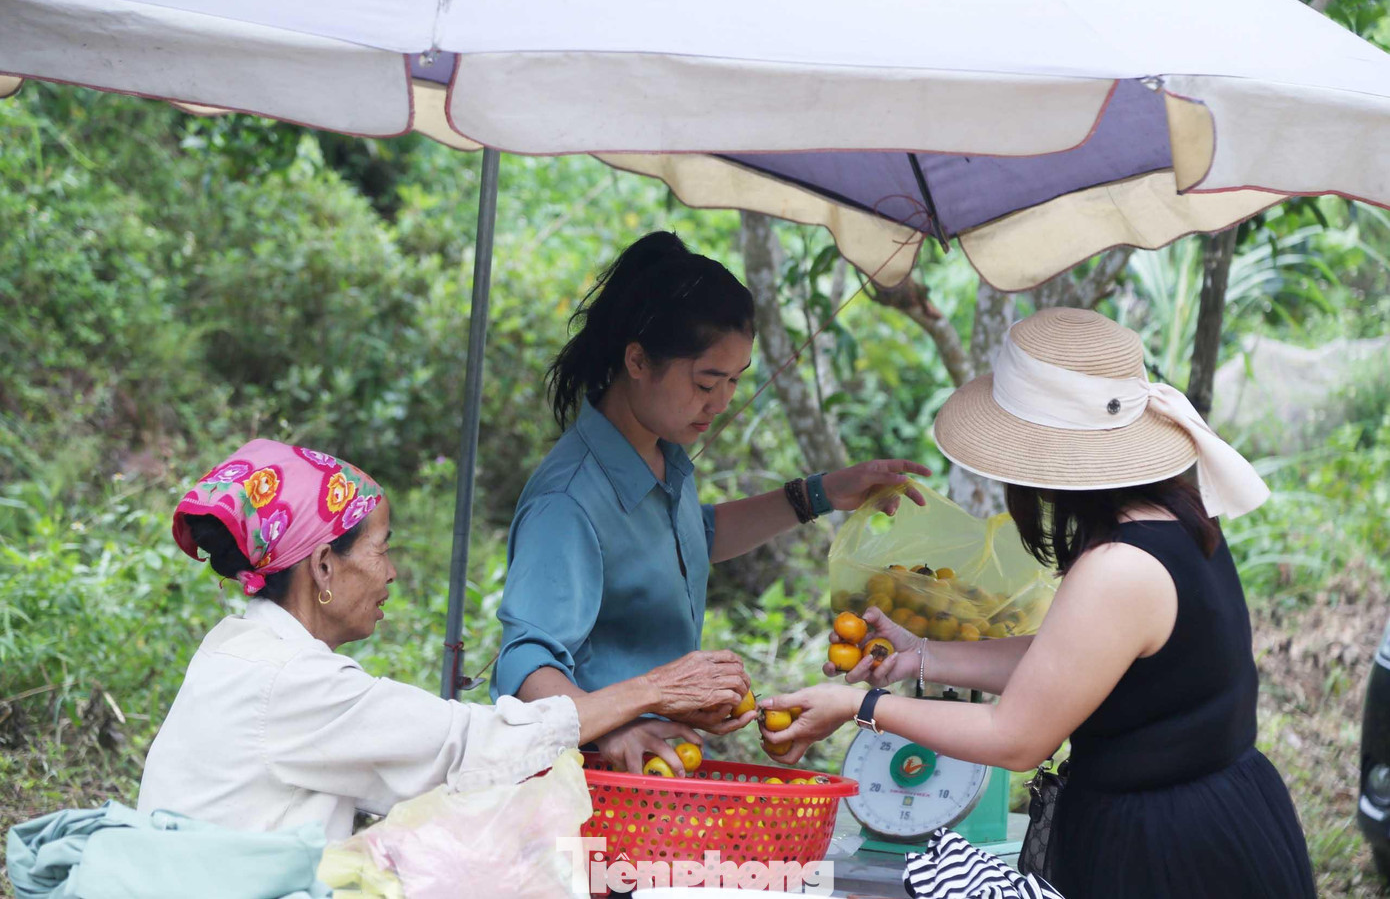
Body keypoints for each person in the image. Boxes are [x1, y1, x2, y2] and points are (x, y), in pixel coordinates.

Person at [759, 308, 1315, 898]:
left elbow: (1016, 738)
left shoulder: (1119, 567)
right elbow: (1068, 660)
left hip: (1164, 848)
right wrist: (918, 655)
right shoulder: (1173, 516)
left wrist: (860, 705)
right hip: (1218, 812)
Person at [138, 438, 749, 840]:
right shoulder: (290, 681)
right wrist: (654, 689)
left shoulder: (241, 647)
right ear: (323, 566)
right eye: (381, 550)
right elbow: (468, 745)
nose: (392, 573)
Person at [492, 230, 930, 775]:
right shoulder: (567, 502)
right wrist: (613, 725)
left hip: (659, 775)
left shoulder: (660, 454)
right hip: (585, 782)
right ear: (637, 360)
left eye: (734, 382)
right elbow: (526, 662)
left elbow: (690, 541)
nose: (721, 403)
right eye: (706, 383)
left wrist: (820, 493)